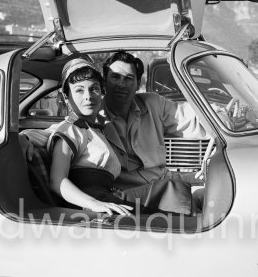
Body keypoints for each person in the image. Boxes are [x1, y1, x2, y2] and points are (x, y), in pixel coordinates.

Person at [102, 51, 208, 192]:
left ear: (138, 84)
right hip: (127, 194)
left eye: (128, 78)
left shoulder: (153, 104)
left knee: (213, 186)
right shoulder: (94, 116)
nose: (121, 84)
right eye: (115, 77)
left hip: (164, 181)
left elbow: (189, 118)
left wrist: (222, 115)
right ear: (104, 81)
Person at [48, 57, 133, 216]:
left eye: (94, 89)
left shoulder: (95, 129)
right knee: (171, 191)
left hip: (109, 198)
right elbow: (56, 181)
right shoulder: (70, 130)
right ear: (66, 98)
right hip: (90, 209)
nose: (88, 96)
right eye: (79, 90)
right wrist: (94, 204)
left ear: (102, 93)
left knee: (169, 189)